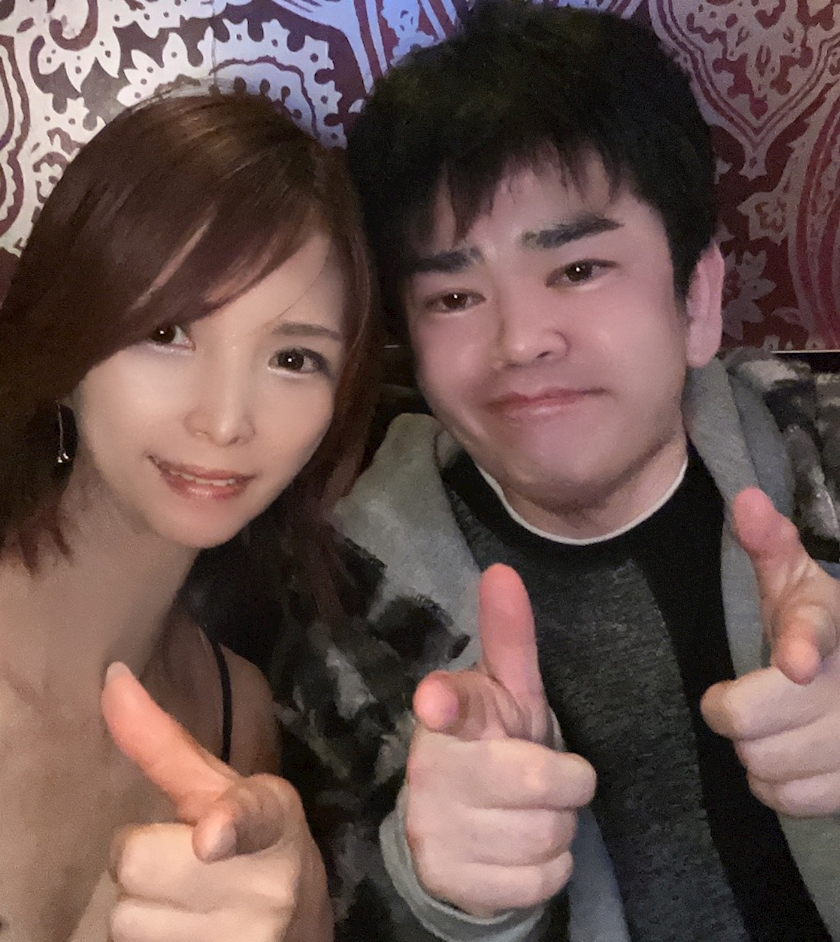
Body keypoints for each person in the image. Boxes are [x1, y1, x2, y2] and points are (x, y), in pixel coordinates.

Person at [270, 3, 840, 941]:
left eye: (578, 269)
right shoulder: (348, 599)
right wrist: (445, 892)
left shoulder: (821, 453)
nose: (521, 341)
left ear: (698, 298)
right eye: (455, 294)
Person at [0, 90, 378, 942]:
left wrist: (305, 922)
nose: (225, 421)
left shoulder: (235, 716)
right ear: (66, 345)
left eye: (293, 357)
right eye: (168, 333)